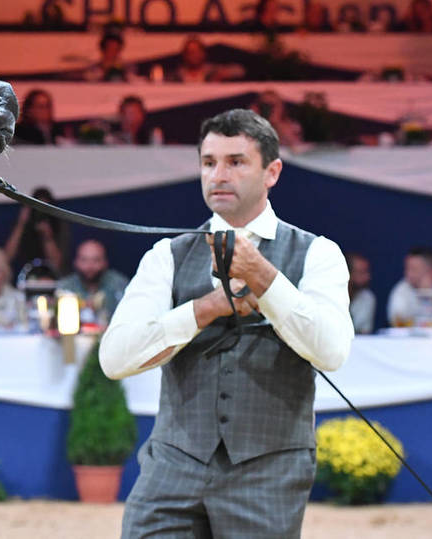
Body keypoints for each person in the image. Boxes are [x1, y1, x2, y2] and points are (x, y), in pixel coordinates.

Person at [100, 108, 353, 538]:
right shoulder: (168, 255)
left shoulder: (318, 253)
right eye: (208, 162)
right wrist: (205, 309)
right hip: (173, 466)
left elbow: (332, 352)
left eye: (236, 162)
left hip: (269, 471)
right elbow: (114, 358)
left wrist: (265, 278)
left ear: (272, 172)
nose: (218, 174)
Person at [56, 240, 129, 325]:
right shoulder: (66, 287)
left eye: (96, 260)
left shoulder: (119, 284)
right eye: (84, 260)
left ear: (105, 262)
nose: (90, 266)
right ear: (75, 262)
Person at [3, 186, 70, 276]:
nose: (40, 213)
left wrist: (47, 238)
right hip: (24, 276)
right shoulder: (22, 226)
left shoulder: (59, 226)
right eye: (37, 208)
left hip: (52, 277)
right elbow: (6, 258)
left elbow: (57, 265)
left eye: (44, 209)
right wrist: (21, 224)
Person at [167, 36, 243, 84]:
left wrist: (222, 74)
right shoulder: (176, 75)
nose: (193, 56)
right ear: (185, 55)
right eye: (190, 52)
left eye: (197, 52)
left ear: (203, 53)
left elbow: (239, 70)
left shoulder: (211, 70)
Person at [345, 252, 376, 335]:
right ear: (347, 273)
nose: (367, 277)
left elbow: (364, 335)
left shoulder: (367, 298)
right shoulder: (327, 296)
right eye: (362, 272)